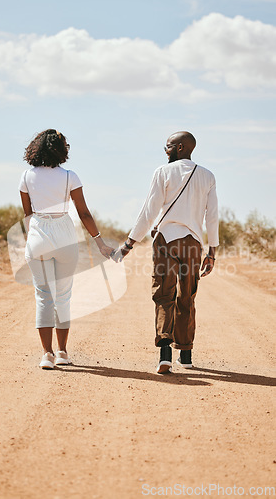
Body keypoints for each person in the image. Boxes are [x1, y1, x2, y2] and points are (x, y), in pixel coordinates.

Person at [114, 131, 219, 374]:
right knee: (187, 295)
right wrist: (211, 252)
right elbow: (211, 216)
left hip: (166, 241)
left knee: (164, 294)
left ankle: (165, 354)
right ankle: (186, 354)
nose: (166, 150)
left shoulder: (162, 172)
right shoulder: (208, 176)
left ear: (181, 147)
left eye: (169, 146)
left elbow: (149, 211)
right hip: (193, 244)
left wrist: (129, 244)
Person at [19, 129, 114, 369]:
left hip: (38, 233)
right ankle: (62, 352)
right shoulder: (70, 176)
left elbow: (28, 214)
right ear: (62, 150)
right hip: (64, 234)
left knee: (43, 296)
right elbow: (83, 213)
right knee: (63, 296)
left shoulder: (27, 177)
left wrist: (32, 240)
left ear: (36, 148)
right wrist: (100, 242)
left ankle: (46, 355)